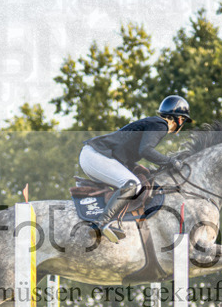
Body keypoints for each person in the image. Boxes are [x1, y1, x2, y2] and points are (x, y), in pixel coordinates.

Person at [78, 95, 191, 243]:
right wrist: (170, 161)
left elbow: (131, 152)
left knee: (130, 182)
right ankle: (101, 224)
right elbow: (146, 150)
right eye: (182, 120)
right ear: (179, 119)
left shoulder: (153, 123)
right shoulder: (160, 125)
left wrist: (141, 167)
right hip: (96, 155)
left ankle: (108, 220)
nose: (181, 124)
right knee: (133, 184)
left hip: (94, 156)